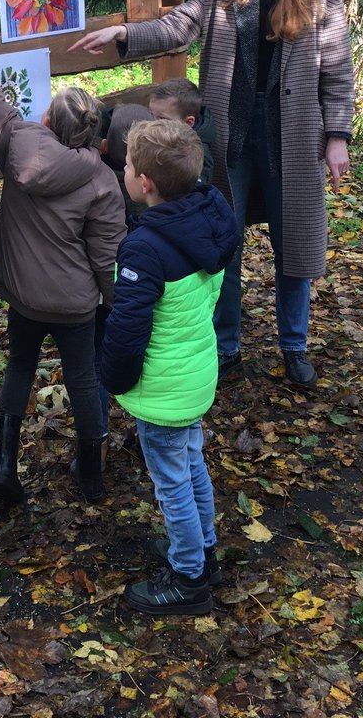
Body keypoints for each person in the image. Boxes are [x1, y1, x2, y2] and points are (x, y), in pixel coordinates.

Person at [72, 0, 354, 389]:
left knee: (295, 248)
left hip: (292, 142)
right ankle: (227, 344)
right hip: (230, 142)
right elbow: (179, 24)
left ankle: (294, 344)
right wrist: (125, 34)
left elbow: (336, 71)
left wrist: (338, 136)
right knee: (223, 242)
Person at [0, 55, 126, 504]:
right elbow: (107, 255)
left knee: (21, 367)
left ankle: (4, 463)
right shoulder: (103, 181)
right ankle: (91, 476)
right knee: (83, 378)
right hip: (75, 303)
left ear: (46, 119)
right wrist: (112, 300)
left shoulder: (17, 146)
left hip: (24, 296)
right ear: (94, 135)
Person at [100, 119, 239, 615]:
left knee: (171, 481)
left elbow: (128, 326)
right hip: (195, 371)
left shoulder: (145, 248)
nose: (124, 170)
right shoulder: (212, 215)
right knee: (190, 463)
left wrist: (112, 376)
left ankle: (187, 578)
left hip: (163, 387)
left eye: (128, 166)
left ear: (146, 184)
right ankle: (203, 550)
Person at [148, 77, 215, 186]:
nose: (152, 123)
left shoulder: (200, 154)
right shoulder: (162, 132)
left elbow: (195, 190)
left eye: (162, 119)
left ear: (188, 123)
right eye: (151, 114)